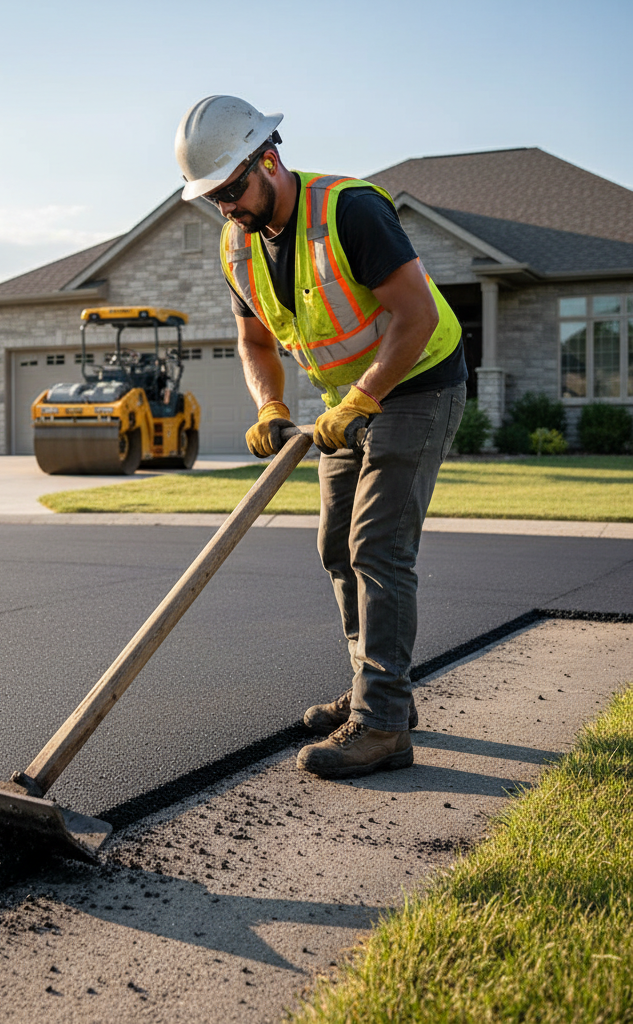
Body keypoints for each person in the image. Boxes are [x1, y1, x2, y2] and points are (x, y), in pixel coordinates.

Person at [175, 95, 467, 779]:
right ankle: (376, 688)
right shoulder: (237, 244)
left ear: (268, 160)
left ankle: (385, 726)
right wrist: (270, 403)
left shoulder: (348, 210)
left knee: (377, 546)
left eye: (232, 191)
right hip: (348, 399)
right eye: (213, 198)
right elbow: (253, 339)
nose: (227, 208)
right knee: (335, 545)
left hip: (419, 379)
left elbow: (416, 316)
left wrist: (365, 397)